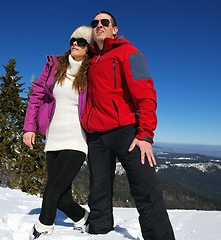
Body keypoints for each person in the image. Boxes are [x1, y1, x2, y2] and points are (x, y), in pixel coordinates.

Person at [81, 11, 176, 240]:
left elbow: (146, 95)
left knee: (146, 190)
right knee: (98, 193)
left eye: (105, 22)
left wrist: (145, 135)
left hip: (128, 133)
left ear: (114, 29)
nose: (99, 25)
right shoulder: (91, 60)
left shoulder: (129, 52)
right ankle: (100, 233)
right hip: (97, 138)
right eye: (95, 23)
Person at [23, 25, 93, 239]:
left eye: (81, 41)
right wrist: (29, 127)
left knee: (52, 189)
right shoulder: (54, 67)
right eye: (73, 39)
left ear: (89, 47)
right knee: (62, 197)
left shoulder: (92, 72)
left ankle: (44, 227)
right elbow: (36, 96)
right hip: (53, 138)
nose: (75, 43)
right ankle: (83, 218)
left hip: (77, 139)